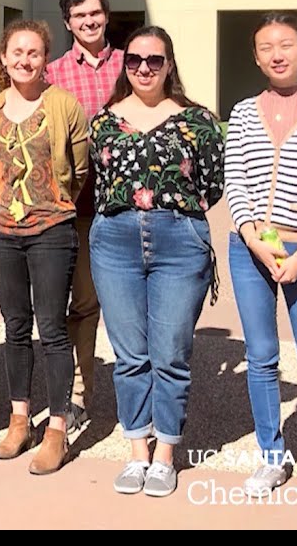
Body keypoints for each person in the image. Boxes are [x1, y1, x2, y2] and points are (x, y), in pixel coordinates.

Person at [89, 26, 224, 498]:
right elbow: (99, 182)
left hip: (178, 239)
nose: (144, 68)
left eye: (154, 60)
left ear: (169, 64)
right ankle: (136, 452)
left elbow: (211, 186)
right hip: (115, 241)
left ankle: (165, 453)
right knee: (129, 355)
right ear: (125, 66)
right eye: (134, 61)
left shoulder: (199, 121)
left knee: (169, 353)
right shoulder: (104, 121)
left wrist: (171, 210)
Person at [224, 13, 297, 504]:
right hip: (250, 246)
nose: (277, 54)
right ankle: (272, 457)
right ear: (256, 57)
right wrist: (253, 237)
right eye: (267, 47)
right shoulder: (244, 112)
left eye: (286, 44)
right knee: (261, 357)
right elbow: (236, 180)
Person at [0, 20, 88, 476]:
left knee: (53, 327)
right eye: (17, 52)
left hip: (52, 230)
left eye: (35, 52)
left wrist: (54, 204)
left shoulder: (64, 105)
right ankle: (19, 419)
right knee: (15, 327)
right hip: (5, 233)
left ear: (46, 58)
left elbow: (78, 170)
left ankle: (57, 429)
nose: (25, 60)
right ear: (3, 58)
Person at [43, 0, 126, 432]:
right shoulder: (53, 74)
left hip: (128, 206)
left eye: (94, 13)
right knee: (82, 304)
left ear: (105, 15)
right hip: (75, 207)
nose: (89, 22)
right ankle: (79, 395)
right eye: (79, 16)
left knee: (132, 304)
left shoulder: (135, 65)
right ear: (68, 23)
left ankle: (143, 395)